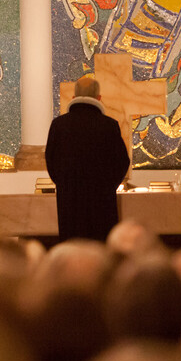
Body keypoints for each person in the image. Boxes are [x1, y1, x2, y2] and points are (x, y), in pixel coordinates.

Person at [45, 75, 130, 242]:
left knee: (72, 247)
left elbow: (51, 161)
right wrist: (107, 186)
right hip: (102, 201)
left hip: (69, 200)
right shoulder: (109, 125)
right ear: (99, 98)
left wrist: (65, 183)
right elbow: (122, 162)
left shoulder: (59, 125)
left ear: (74, 98)